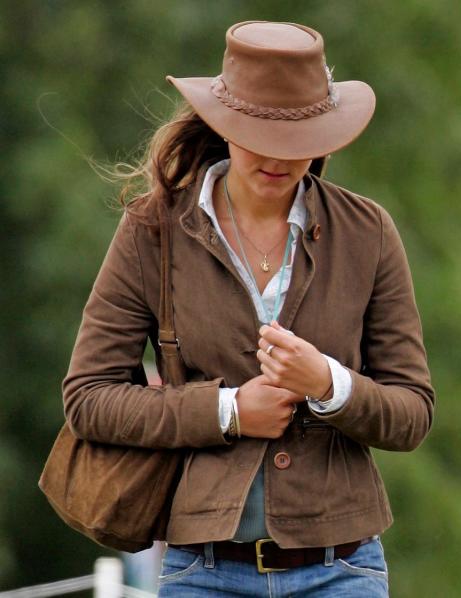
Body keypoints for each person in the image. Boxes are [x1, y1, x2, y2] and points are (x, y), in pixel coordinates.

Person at [62, 21, 434, 596]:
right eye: (259, 133)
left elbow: (412, 413)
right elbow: (89, 399)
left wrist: (328, 384)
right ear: (223, 124)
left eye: (299, 139)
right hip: (201, 570)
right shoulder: (150, 231)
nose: (280, 158)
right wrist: (228, 410)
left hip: (344, 570)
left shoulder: (368, 232)